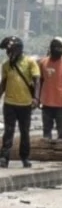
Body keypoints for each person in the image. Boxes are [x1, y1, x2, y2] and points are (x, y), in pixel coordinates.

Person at [0, 38, 40, 168]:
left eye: (10, 50)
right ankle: (4, 158)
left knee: (24, 132)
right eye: (7, 51)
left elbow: (37, 81)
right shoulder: (6, 65)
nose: (9, 53)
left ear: (18, 50)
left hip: (25, 104)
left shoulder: (30, 62)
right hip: (9, 104)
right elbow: (4, 84)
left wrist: (36, 98)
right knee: (8, 131)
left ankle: (25, 157)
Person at [38, 37, 62, 141]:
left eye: (59, 49)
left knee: (61, 131)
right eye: (54, 49)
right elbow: (40, 81)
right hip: (46, 103)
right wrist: (37, 97)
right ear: (50, 49)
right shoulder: (43, 62)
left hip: (61, 104)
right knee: (46, 131)